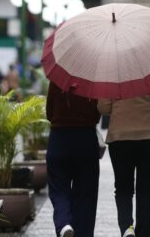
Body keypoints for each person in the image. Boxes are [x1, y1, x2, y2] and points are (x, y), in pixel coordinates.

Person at [46, 82, 101, 237]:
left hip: (59, 138)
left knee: (58, 189)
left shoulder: (58, 79)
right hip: (85, 139)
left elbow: (49, 112)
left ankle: (64, 223)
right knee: (86, 194)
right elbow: (97, 114)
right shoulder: (91, 80)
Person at [98, 96, 150, 237]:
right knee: (147, 190)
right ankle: (145, 233)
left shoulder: (112, 74)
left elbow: (103, 108)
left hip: (120, 136)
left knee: (123, 187)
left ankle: (126, 227)